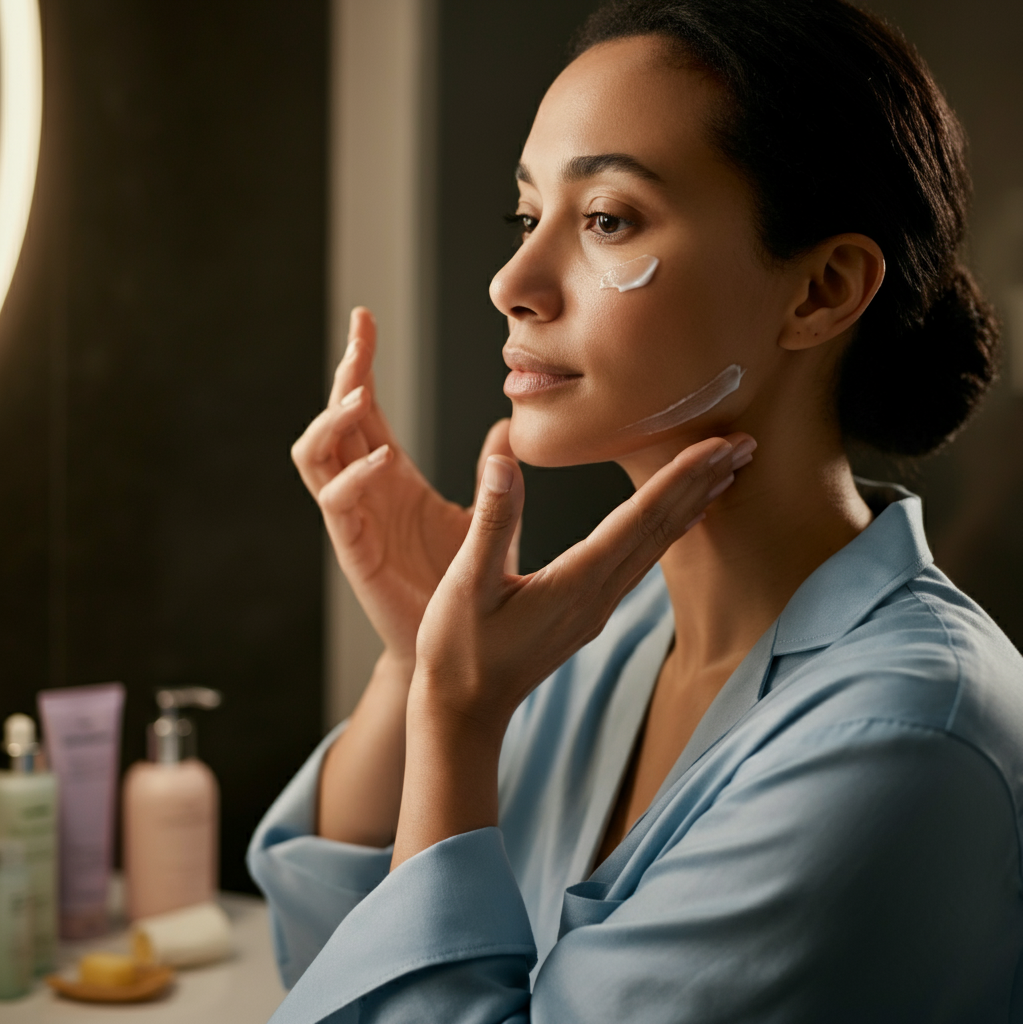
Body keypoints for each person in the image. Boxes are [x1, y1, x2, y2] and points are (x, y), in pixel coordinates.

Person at [249, 0, 1023, 1019]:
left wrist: (460, 716)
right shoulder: (606, 643)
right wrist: (412, 669)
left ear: (822, 290)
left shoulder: (906, 739)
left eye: (607, 218)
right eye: (528, 217)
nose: (511, 282)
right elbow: (331, 965)